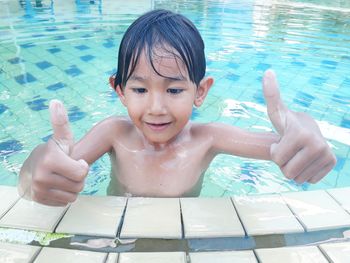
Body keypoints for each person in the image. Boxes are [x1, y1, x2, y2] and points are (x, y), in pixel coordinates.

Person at [18, 9, 336, 206]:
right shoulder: (113, 133)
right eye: (140, 89)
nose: (157, 107)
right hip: (118, 235)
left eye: (173, 89)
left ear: (200, 91)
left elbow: (285, 143)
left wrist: (307, 130)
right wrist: (35, 170)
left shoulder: (208, 138)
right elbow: (54, 167)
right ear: (120, 90)